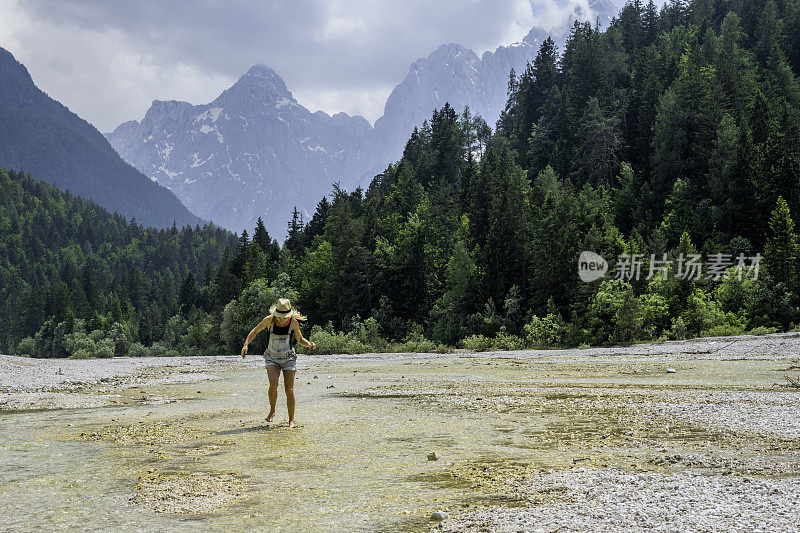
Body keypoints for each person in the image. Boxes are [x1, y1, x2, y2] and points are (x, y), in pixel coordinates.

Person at [241, 298, 316, 427]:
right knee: (274, 384)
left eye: (284, 316)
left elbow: (300, 339)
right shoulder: (268, 321)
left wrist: (309, 344)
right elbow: (254, 331)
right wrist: (246, 345)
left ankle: (291, 420)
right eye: (280, 316)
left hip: (288, 358)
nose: (282, 319)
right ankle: (272, 411)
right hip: (272, 357)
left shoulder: (293, 323)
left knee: (289, 389)